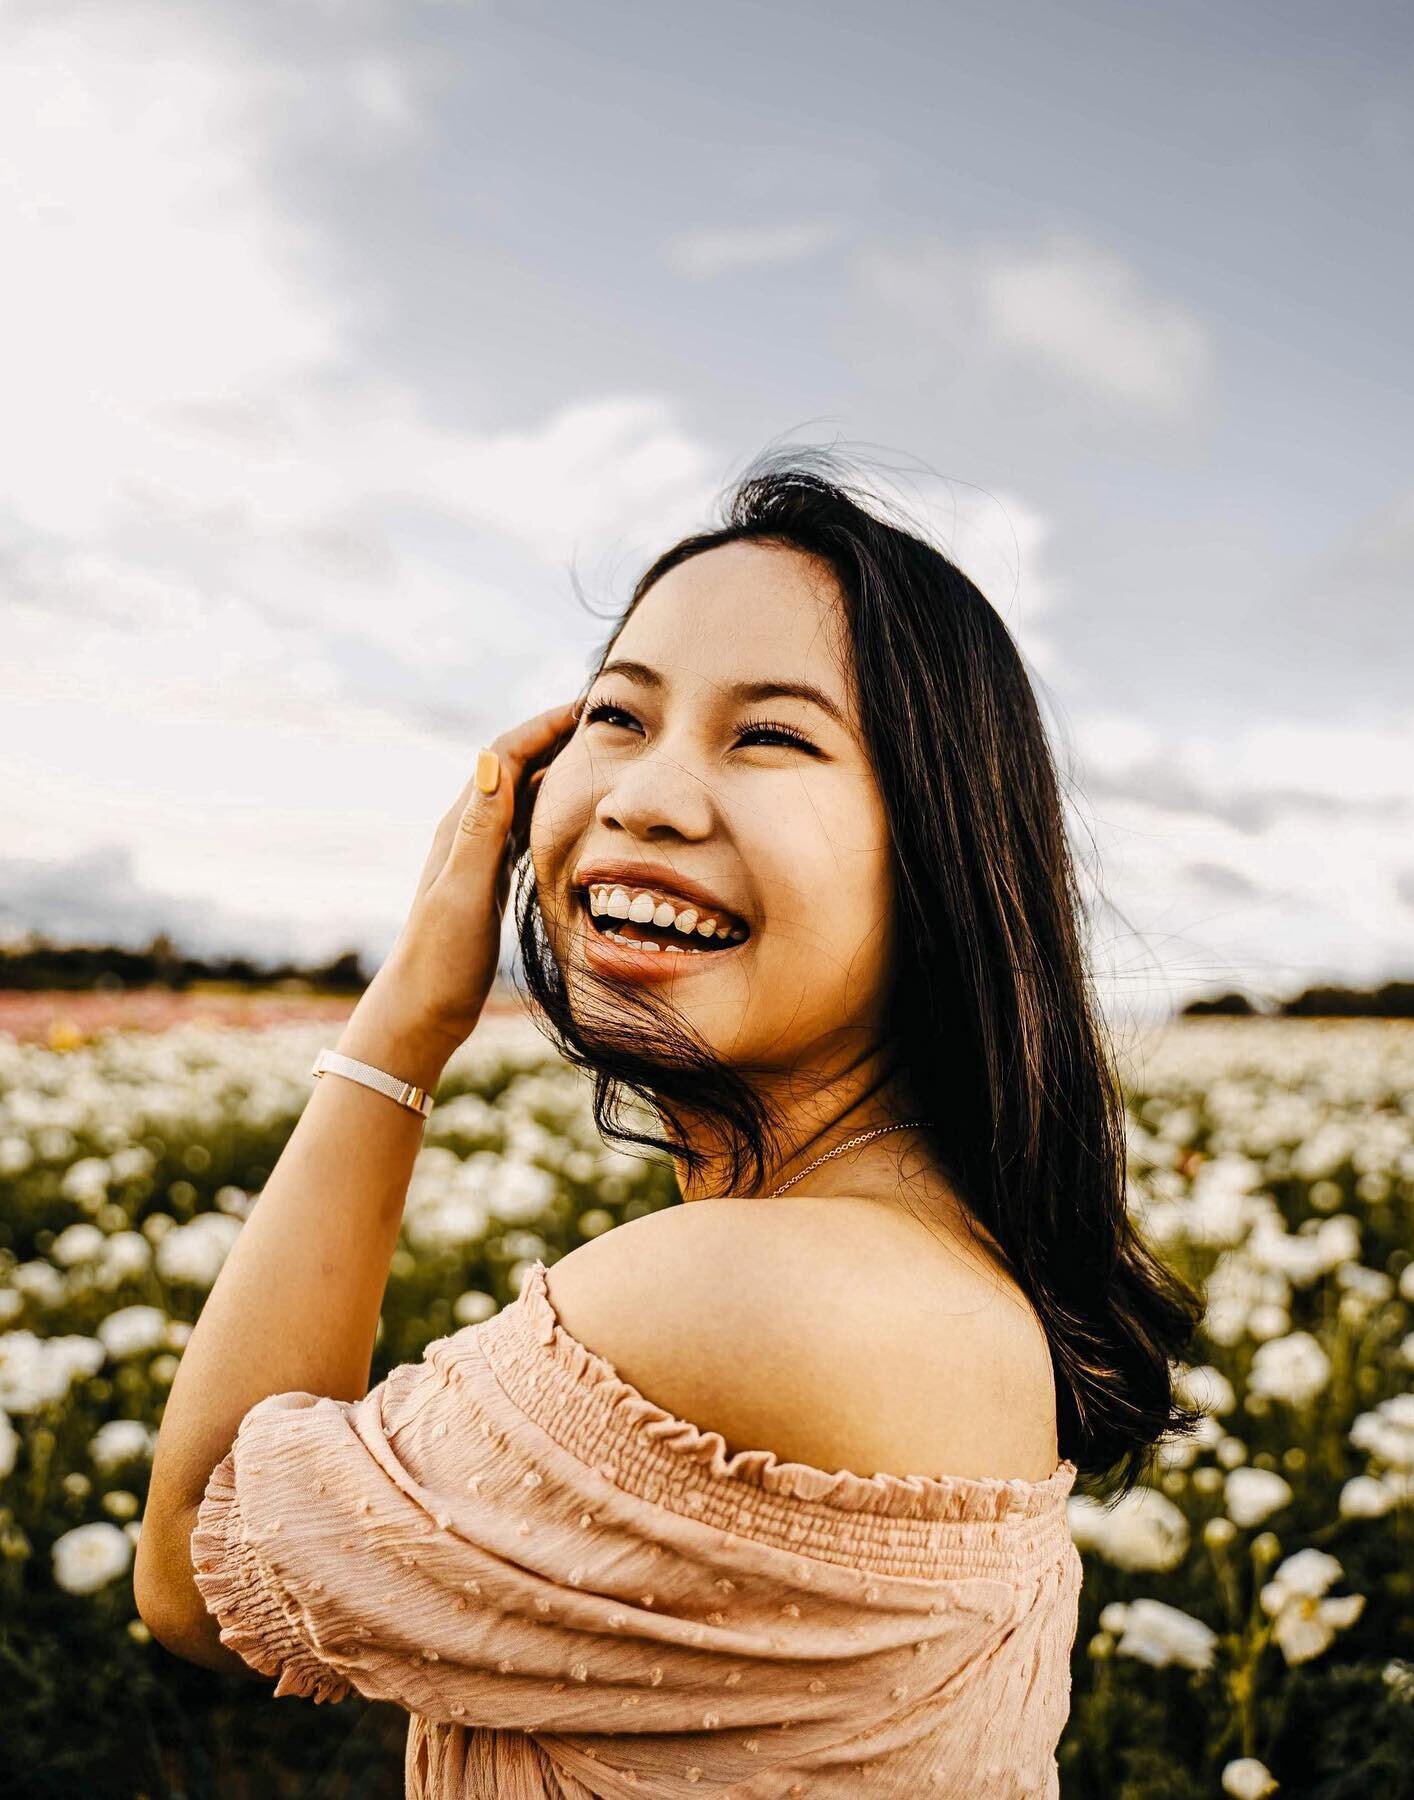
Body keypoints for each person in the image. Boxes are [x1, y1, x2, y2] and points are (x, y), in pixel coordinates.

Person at [135, 451, 1204, 1797]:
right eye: (620, 719)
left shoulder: (756, 1295)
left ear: (941, 847)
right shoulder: (937, 1257)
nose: (644, 798)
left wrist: (405, 1017)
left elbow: (192, 1573)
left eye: (770, 736)